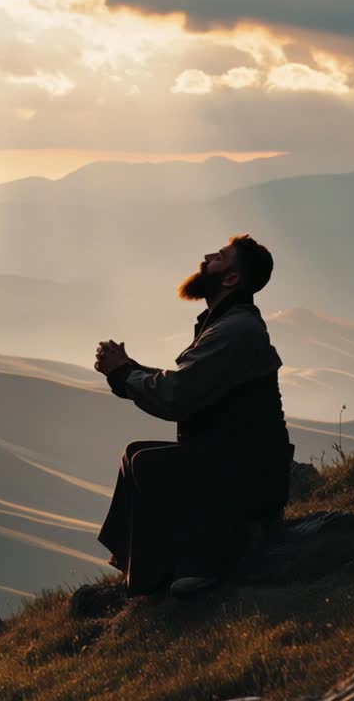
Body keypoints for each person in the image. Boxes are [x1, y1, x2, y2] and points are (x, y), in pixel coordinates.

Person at [93, 234, 294, 598]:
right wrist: (129, 370)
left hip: (249, 475)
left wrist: (124, 374)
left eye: (219, 257)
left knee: (149, 464)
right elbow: (190, 385)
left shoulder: (234, 330)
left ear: (231, 279)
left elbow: (176, 397)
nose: (206, 258)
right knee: (134, 453)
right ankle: (140, 568)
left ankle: (210, 558)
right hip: (236, 463)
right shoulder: (226, 324)